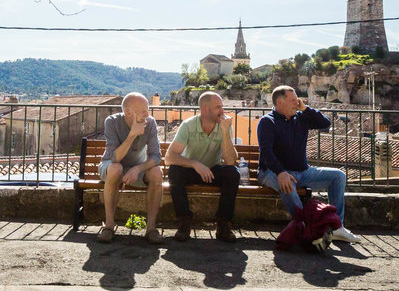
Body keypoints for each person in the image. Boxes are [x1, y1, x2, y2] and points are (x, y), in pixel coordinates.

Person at [256, 85, 361, 243]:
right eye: (292, 100)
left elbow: (324, 123)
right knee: (287, 183)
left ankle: (337, 227)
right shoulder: (267, 122)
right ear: (279, 101)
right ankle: (307, 228)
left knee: (338, 176)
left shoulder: (301, 118)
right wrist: (281, 173)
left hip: (303, 172)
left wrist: (305, 109)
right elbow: (266, 152)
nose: (297, 102)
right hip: (271, 172)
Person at [164, 91, 240, 242]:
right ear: (205, 109)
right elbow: (169, 157)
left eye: (222, 107)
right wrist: (195, 164)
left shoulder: (224, 125)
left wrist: (225, 132)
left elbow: (230, 161)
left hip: (213, 170)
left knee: (232, 173)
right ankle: (184, 221)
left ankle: (223, 224)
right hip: (191, 170)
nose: (222, 111)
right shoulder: (188, 126)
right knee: (174, 172)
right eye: (218, 107)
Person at [98, 92, 165, 244]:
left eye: (148, 110)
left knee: (156, 172)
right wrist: (132, 135)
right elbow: (114, 158)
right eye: (143, 111)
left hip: (137, 168)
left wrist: (137, 169)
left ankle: (151, 229)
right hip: (110, 166)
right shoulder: (112, 122)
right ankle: (109, 226)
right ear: (128, 112)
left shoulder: (151, 123)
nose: (148, 114)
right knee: (116, 168)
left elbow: (156, 157)